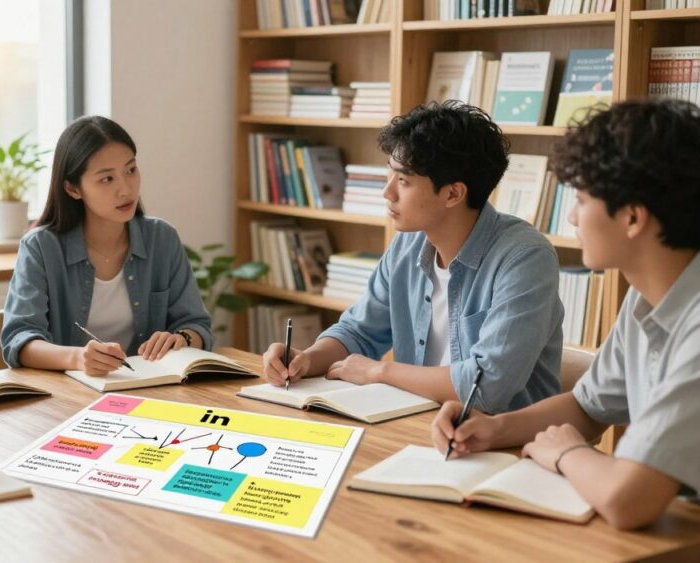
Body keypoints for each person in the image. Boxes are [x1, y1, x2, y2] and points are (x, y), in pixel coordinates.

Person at [431, 99, 700, 530]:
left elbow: (628, 501)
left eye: (580, 198)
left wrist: (566, 452)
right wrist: (492, 428)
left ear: (632, 216)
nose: (572, 216)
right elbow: (588, 407)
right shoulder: (645, 297)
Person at [263, 101, 562, 412]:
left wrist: (381, 372)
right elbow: (359, 332)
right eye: (390, 176)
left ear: (453, 194)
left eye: (403, 181)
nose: (387, 193)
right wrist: (306, 359)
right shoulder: (407, 244)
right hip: (415, 424)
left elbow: (486, 385)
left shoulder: (525, 259)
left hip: (501, 443)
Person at [1, 115, 212, 375]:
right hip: (68, 393)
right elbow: (19, 340)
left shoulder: (162, 238)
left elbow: (196, 325)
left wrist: (183, 338)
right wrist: (78, 359)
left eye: (130, 170)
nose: (126, 189)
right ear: (73, 188)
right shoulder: (41, 247)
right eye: (107, 179)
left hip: (149, 387)